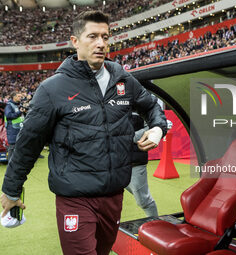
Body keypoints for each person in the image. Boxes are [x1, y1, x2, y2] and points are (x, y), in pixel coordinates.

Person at [0, 10, 167, 255]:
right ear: (75, 42)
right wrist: (11, 191)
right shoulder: (52, 89)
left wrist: (157, 128)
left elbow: (151, 105)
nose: (101, 43)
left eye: (105, 37)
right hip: (75, 199)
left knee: (103, 251)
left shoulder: (123, 80)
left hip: (114, 195)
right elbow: (28, 144)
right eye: (92, 36)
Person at [126, 113, 158, 217]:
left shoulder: (141, 104)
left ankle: (155, 224)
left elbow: (152, 128)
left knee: (143, 200)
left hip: (135, 163)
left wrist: (128, 137)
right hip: (114, 163)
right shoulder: (110, 103)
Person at [4, 92, 24, 161]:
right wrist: (19, 112)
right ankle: (10, 164)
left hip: (19, 129)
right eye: (19, 96)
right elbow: (8, 115)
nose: (20, 98)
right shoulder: (9, 105)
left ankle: (17, 163)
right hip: (12, 129)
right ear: (14, 97)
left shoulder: (19, 105)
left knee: (19, 147)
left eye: (21, 96)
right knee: (12, 147)